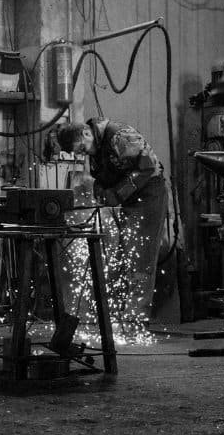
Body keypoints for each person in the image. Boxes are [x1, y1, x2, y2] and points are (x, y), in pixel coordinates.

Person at [55, 118, 170, 321]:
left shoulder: (120, 136)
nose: (82, 153)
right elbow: (101, 177)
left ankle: (136, 319)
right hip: (129, 198)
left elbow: (147, 167)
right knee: (126, 254)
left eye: (81, 148)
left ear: (87, 133)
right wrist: (100, 190)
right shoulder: (95, 150)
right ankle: (123, 314)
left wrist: (117, 194)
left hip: (149, 195)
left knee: (140, 257)